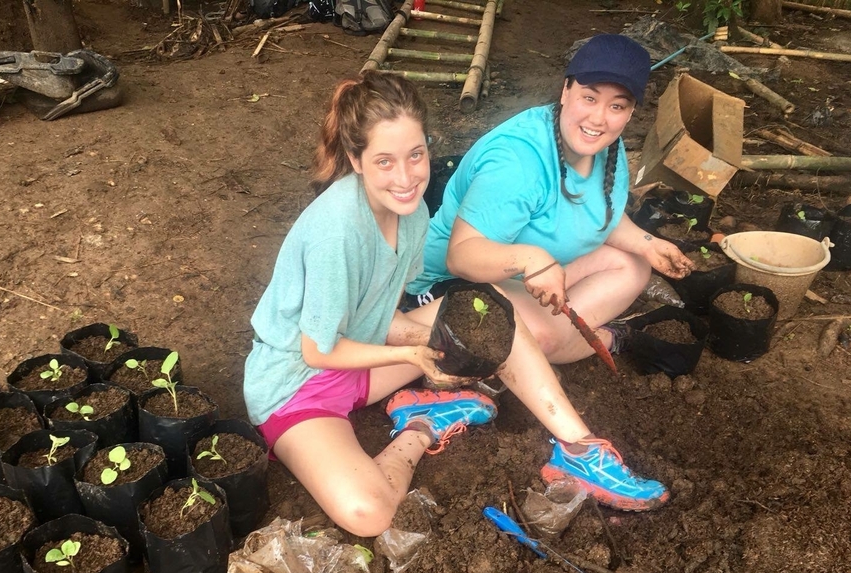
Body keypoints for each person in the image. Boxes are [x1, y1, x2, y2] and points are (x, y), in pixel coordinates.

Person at [244, 71, 669, 539]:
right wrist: (412, 352)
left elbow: (378, 314)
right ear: (356, 160)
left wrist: (428, 338)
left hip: (360, 360)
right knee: (370, 513)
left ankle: (579, 449)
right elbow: (317, 353)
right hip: (298, 385)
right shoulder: (337, 232)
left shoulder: (412, 213)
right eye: (384, 161)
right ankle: (423, 425)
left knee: (490, 313)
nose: (406, 178)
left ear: (428, 147)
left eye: (416, 155)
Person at [404, 34, 695, 364]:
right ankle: (593, 339)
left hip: (525, 277)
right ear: (566, 90)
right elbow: (462, 257)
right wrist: (531, 260)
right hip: (452, 281)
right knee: (543, 335)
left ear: (630, 113)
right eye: (589, 97)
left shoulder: (607, 147)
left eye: (617, 105)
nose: (599, 119)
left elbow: (602, 216)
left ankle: (548, 341)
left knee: (634, 263)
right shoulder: (517, 162)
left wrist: (647, 243)